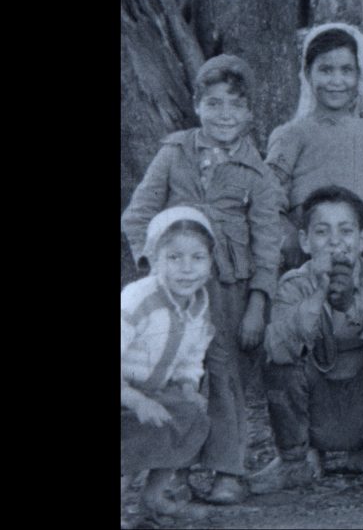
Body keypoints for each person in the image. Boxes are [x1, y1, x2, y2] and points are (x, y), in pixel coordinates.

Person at [121, 54, 284, 502]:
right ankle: (170, 467)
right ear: (196, 106)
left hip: (230, 287)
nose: (224, 114)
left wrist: (258, 302)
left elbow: (268, 246)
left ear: (250, 112)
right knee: (174, 371)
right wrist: (154, 269)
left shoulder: (260, 175)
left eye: (235, 104)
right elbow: (137, 215)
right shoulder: (174, 154)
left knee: (224, 373)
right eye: (213, 103)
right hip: (175, 283)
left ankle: (227, 469)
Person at [247, 186, 363, 493]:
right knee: (275, 355)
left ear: (361, 240)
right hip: (317, 406)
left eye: (346, 231)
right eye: (322, 232)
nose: (334, 242)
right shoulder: (293, 283)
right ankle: (294, 460)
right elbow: (277, 349)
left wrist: (355, 305)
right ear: (305, 241)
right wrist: (318, 294)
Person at [265, 23, 363, 269]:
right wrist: (287, 233)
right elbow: (269, 191)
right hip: (307, 249)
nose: (336, 81)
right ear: (308, 72)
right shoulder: (291, 134)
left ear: (359, 75)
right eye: (325, 70)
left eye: (346, 70)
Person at [121, 207, 218, 522]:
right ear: (154, 258)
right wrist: (134, 399)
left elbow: (192, 355)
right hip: (124, 392)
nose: (187, 269)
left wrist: (189, 386)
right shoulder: (138, 300)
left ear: (210, 261)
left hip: (151, 392)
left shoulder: (199, 305)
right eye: (174, 258)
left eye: (197, 258)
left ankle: (155, 494)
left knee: (190, 415)